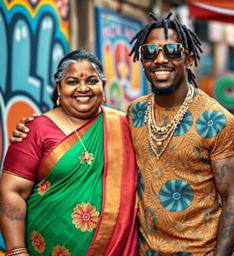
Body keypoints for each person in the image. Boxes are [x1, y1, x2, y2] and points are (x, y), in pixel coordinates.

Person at [9, 12, 234, 256]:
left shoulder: (218, 122)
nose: (160, 59)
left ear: (189, 59)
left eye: (173, 51)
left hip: (198, 252)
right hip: (142, 250)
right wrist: (32, 130)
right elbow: (82, 123)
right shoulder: (134, 114)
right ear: (142, 60)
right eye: (150, 52)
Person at [0, 49, 138, 256]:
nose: (83, 88)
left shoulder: (124, 126)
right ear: (59, 88)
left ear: (103, 87)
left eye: (92, 81)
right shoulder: (35, 130)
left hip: (115, 248)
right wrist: (17, 251)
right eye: (72, 82)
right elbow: (12, 192)